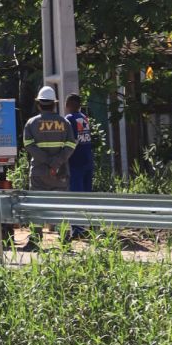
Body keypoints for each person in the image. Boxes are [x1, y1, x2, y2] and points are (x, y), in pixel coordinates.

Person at [21, 85, 76, 249]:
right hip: (60, 173)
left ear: (39, 104)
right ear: (54, 104)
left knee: (36, 205)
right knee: (62, 205)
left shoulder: (31, 123)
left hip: (39, 172)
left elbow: (29, 146)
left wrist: (46, 162)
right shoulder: (64, 123)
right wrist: (56, 163)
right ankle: (65, 239)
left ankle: (35, 240)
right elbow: (71, 145)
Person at [65, 93, 94, 239]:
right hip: (88, 160)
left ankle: (77, 228)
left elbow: (72, 141)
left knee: (76, 195)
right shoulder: (84, 118)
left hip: (76, 162)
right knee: (87, 194)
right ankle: (90, 225)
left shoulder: (69, 119)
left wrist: (63, 158)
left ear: (68, 105)